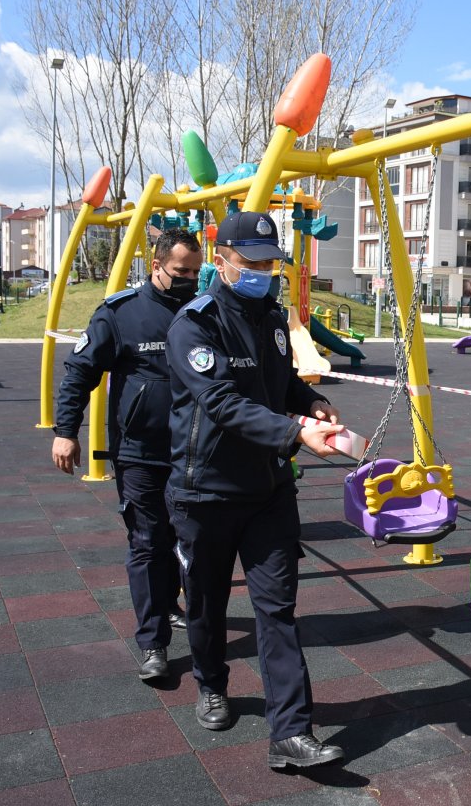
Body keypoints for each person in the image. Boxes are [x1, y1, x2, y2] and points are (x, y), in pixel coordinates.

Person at [164, 210, 346, 770]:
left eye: (272, 264)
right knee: (206, 604)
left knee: (278, 611)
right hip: (206, 492)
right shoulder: (194, 325)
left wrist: (307, 402)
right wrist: (295, 433)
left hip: (267, 490)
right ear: (222, 262)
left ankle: (291, 733)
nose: (266, 272)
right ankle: (212, 683)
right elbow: (220, 401)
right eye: (254, 263)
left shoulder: (271, 317)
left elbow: (277, 380)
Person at [52, 229, 204, 678]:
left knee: (193, 542)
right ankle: (153, 643)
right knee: (148, 542)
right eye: (181, 272)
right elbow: (80, 371)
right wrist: (66, 432)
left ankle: (176, 609)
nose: (189, 280)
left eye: (196, 272)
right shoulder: (121, 314)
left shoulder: (202, 312)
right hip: (141, 451)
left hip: (195, 452)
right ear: (156, 266)